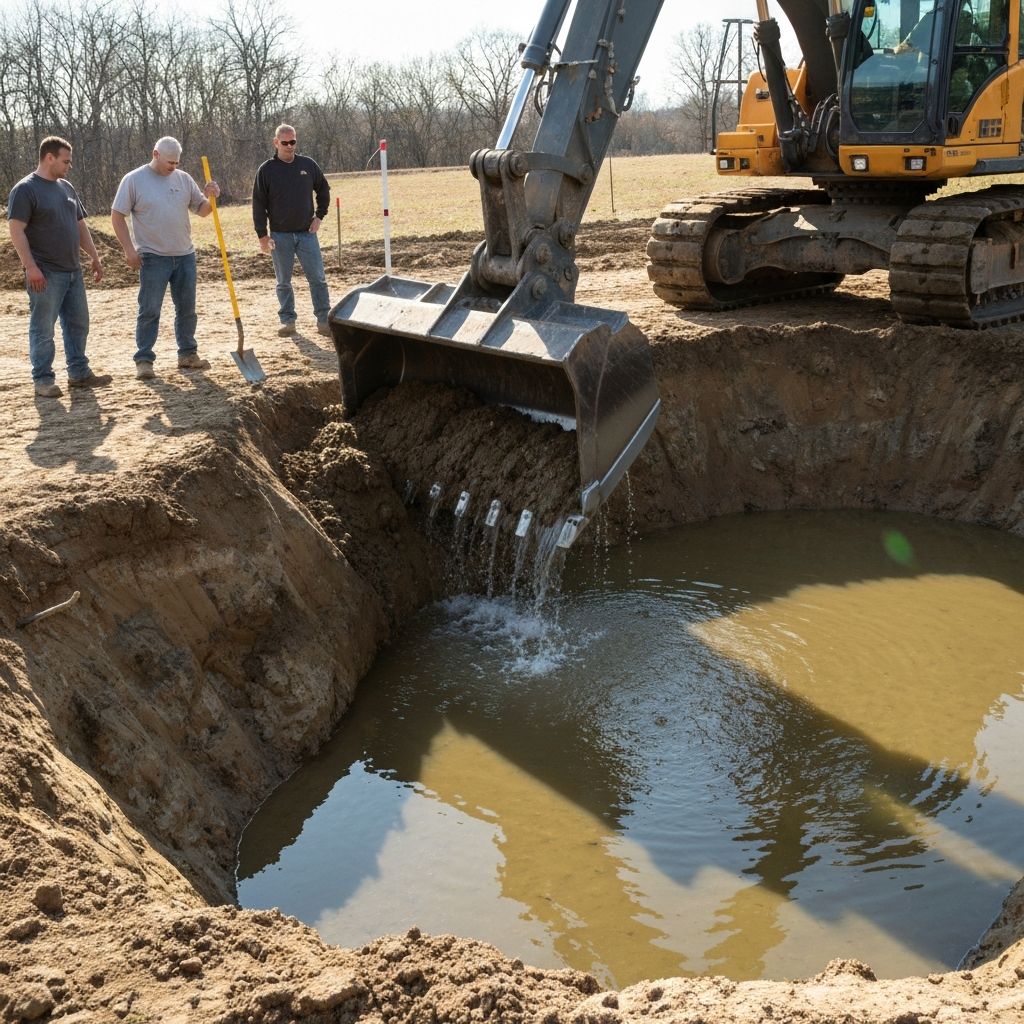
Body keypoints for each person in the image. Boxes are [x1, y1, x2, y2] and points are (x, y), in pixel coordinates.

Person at [7, 136, 111, 398]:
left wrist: (94, 257)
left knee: (78, 323)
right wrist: (30, 266)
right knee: (43, 327)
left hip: (73, 271)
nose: (69, 166)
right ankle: (43, 379)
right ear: (49, 157)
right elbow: (16, 230)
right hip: (45, 272)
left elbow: (79, 225)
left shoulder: (66, 187)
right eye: (66, 161)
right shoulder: (26, 189)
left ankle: (78, 373)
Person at [111, 136, 220, 380]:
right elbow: (117, 216)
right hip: (152, 257)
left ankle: (188, 354)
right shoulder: (134, 180)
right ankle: (144, 360)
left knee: (187, 309)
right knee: (149, 309)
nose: (173, 166)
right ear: (155, 154)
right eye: (170, 162)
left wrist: (211, 197)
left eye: (177, 162)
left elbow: (202, 210)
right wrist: (129, 250)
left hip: (185, 255)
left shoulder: (183, 179)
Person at [251, 124, 332, 337]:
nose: (289, 146)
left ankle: (324, 320)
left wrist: (320, 216)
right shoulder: (266, 170)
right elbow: (258, 204)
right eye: (285, 143)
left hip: (307, 234)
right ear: (276, 142)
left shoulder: (308, 165)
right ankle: (288, 321)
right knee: (283, 282)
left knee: (318, 279)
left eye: (293, 142)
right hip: (279, 235)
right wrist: (262, 235)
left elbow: (324, 189)